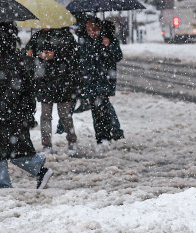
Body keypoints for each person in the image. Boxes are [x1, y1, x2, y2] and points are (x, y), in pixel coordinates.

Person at [0, 23, 51, 191]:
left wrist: (2, 109)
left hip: (3, 112)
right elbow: (5, 83)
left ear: (0, 36)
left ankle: (0, 187)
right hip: (5, 111)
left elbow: (12, 86)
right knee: (11, 148)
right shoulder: (6, 56)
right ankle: (38, 168)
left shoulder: (6, 58)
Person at [26, 25, 80, 154]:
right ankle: (47, 145)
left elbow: (73, 57)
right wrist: (34, 55)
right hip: (44, 82)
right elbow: (28, 53)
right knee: (45, 115)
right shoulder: (37, 36)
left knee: (64, 116)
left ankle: (72, 141)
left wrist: (56, 56)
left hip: (63, 81)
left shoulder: (66, 36)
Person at [77, 16, 124, 145]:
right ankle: (102, 137)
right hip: (90, 81)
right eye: (89, 29)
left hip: (104, 80)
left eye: (95, 29)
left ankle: (108, 135)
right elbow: (80, 60)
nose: (92, 32)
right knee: (96, 110)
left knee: (103, 107)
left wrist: (108, 46)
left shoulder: (107, 39)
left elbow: (117, 56)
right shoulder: (84, 41)